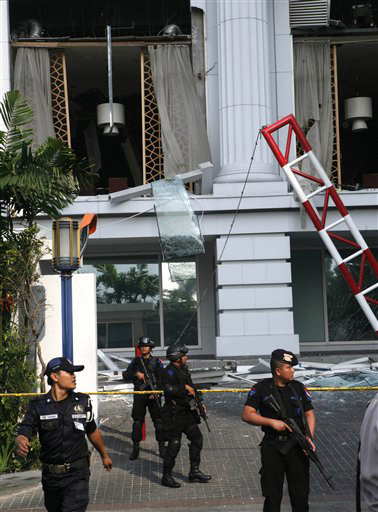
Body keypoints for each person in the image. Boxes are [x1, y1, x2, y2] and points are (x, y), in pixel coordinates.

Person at [15, 357, 112, 512]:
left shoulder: (82, 402)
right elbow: (25, 429)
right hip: (51, 477)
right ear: (54, 377)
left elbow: (92, 430)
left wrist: (104, 455)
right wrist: (21, 440)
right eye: (70, 372)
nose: (74, 376)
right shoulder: (38, 406)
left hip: (77, 474)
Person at [242, 349, 315, 512]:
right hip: (273, 447)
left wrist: (309, 437)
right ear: (278, 371)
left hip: (297, 446)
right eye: (289, 367)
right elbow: (247, 415)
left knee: (301, 495)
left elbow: (309, 413)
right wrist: (272, 422)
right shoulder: (261, 388)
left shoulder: (298, 388)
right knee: (272, 496)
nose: (293, 370)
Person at [160, 341, 211, 488]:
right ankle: (166, 476)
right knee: (174, 444)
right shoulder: (168, 371)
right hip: (174, 414)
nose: (186, 358)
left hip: (187, 412)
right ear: (177, 357)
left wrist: (199, 402)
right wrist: (184, 387)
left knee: (197, 439)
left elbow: (192, 388)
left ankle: (194, 471)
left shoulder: (184, 370)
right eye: (184, 356)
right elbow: (168, 389)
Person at [122, 336, 166, 460]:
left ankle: (162, 448)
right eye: (141, 346)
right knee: (137, 422)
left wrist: (157, 392)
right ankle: (135, 449)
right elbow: (125, 376)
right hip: (140, 395)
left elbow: (163, 379)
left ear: (151, 348)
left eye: (146, 346)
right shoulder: (135, 362)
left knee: (158, 422)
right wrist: (136, 373)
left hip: (154, 395)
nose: (143, 348)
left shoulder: (157, 362)